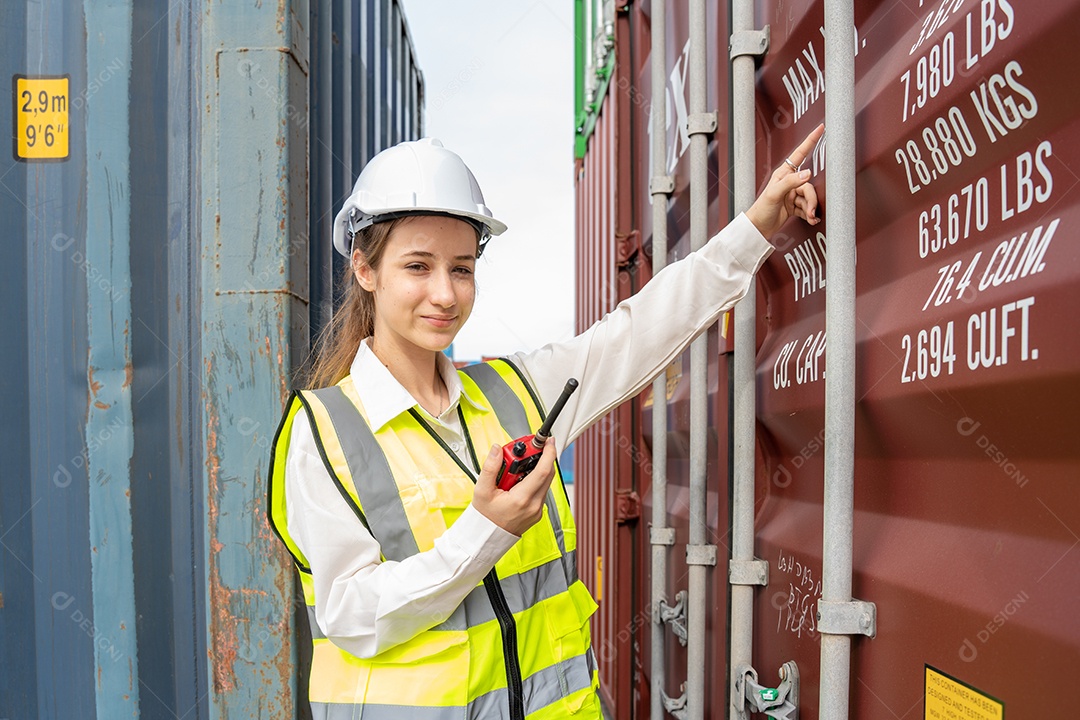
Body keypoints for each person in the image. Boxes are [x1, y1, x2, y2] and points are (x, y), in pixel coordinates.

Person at [268, 127, 824, 719]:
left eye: (461, 268)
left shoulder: (515, 393)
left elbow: (635, 334)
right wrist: (486, 530)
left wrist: (755, 227)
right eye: (417, 266)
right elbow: (352, 616)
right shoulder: (321, 432)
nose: (444, 294)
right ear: (364, 268)